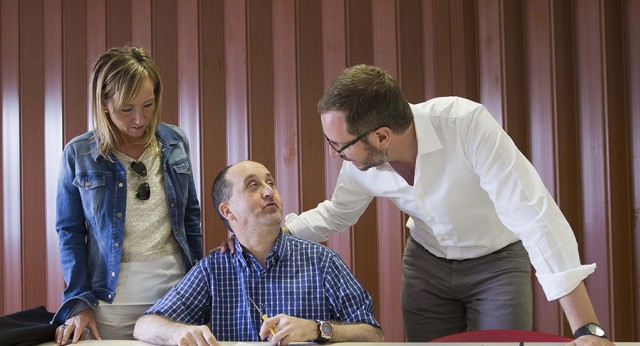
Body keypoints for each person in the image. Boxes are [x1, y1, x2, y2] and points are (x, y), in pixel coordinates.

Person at [223, 64, 614, 345]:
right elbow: (338, 213)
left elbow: (533, 214)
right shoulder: (360, 160)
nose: (333, 155)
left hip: (497, 263)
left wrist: (586, 329)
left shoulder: (466, 125)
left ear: (380, 136)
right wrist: (279, 231)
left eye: (338, 146)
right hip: (426, 267)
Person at [133, 160, 383, 346]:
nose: (268, 191)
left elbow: (374, 335)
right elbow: (144, 325)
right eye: (253, 185)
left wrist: (318, 329)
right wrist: (177, 333)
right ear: (228, 211)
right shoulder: (214, 269)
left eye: (270, 182)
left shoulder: (323, 262)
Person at [52, 46, 203, 344]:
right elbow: (69, 233)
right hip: (110, 304)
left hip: (175, 297)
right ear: (104, 103)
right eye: (126, 109)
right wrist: (79, 303)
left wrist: (201, 285)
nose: (139, 119)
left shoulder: (175, 142)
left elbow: (190, 217)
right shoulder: (78, 154)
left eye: (148, 104)